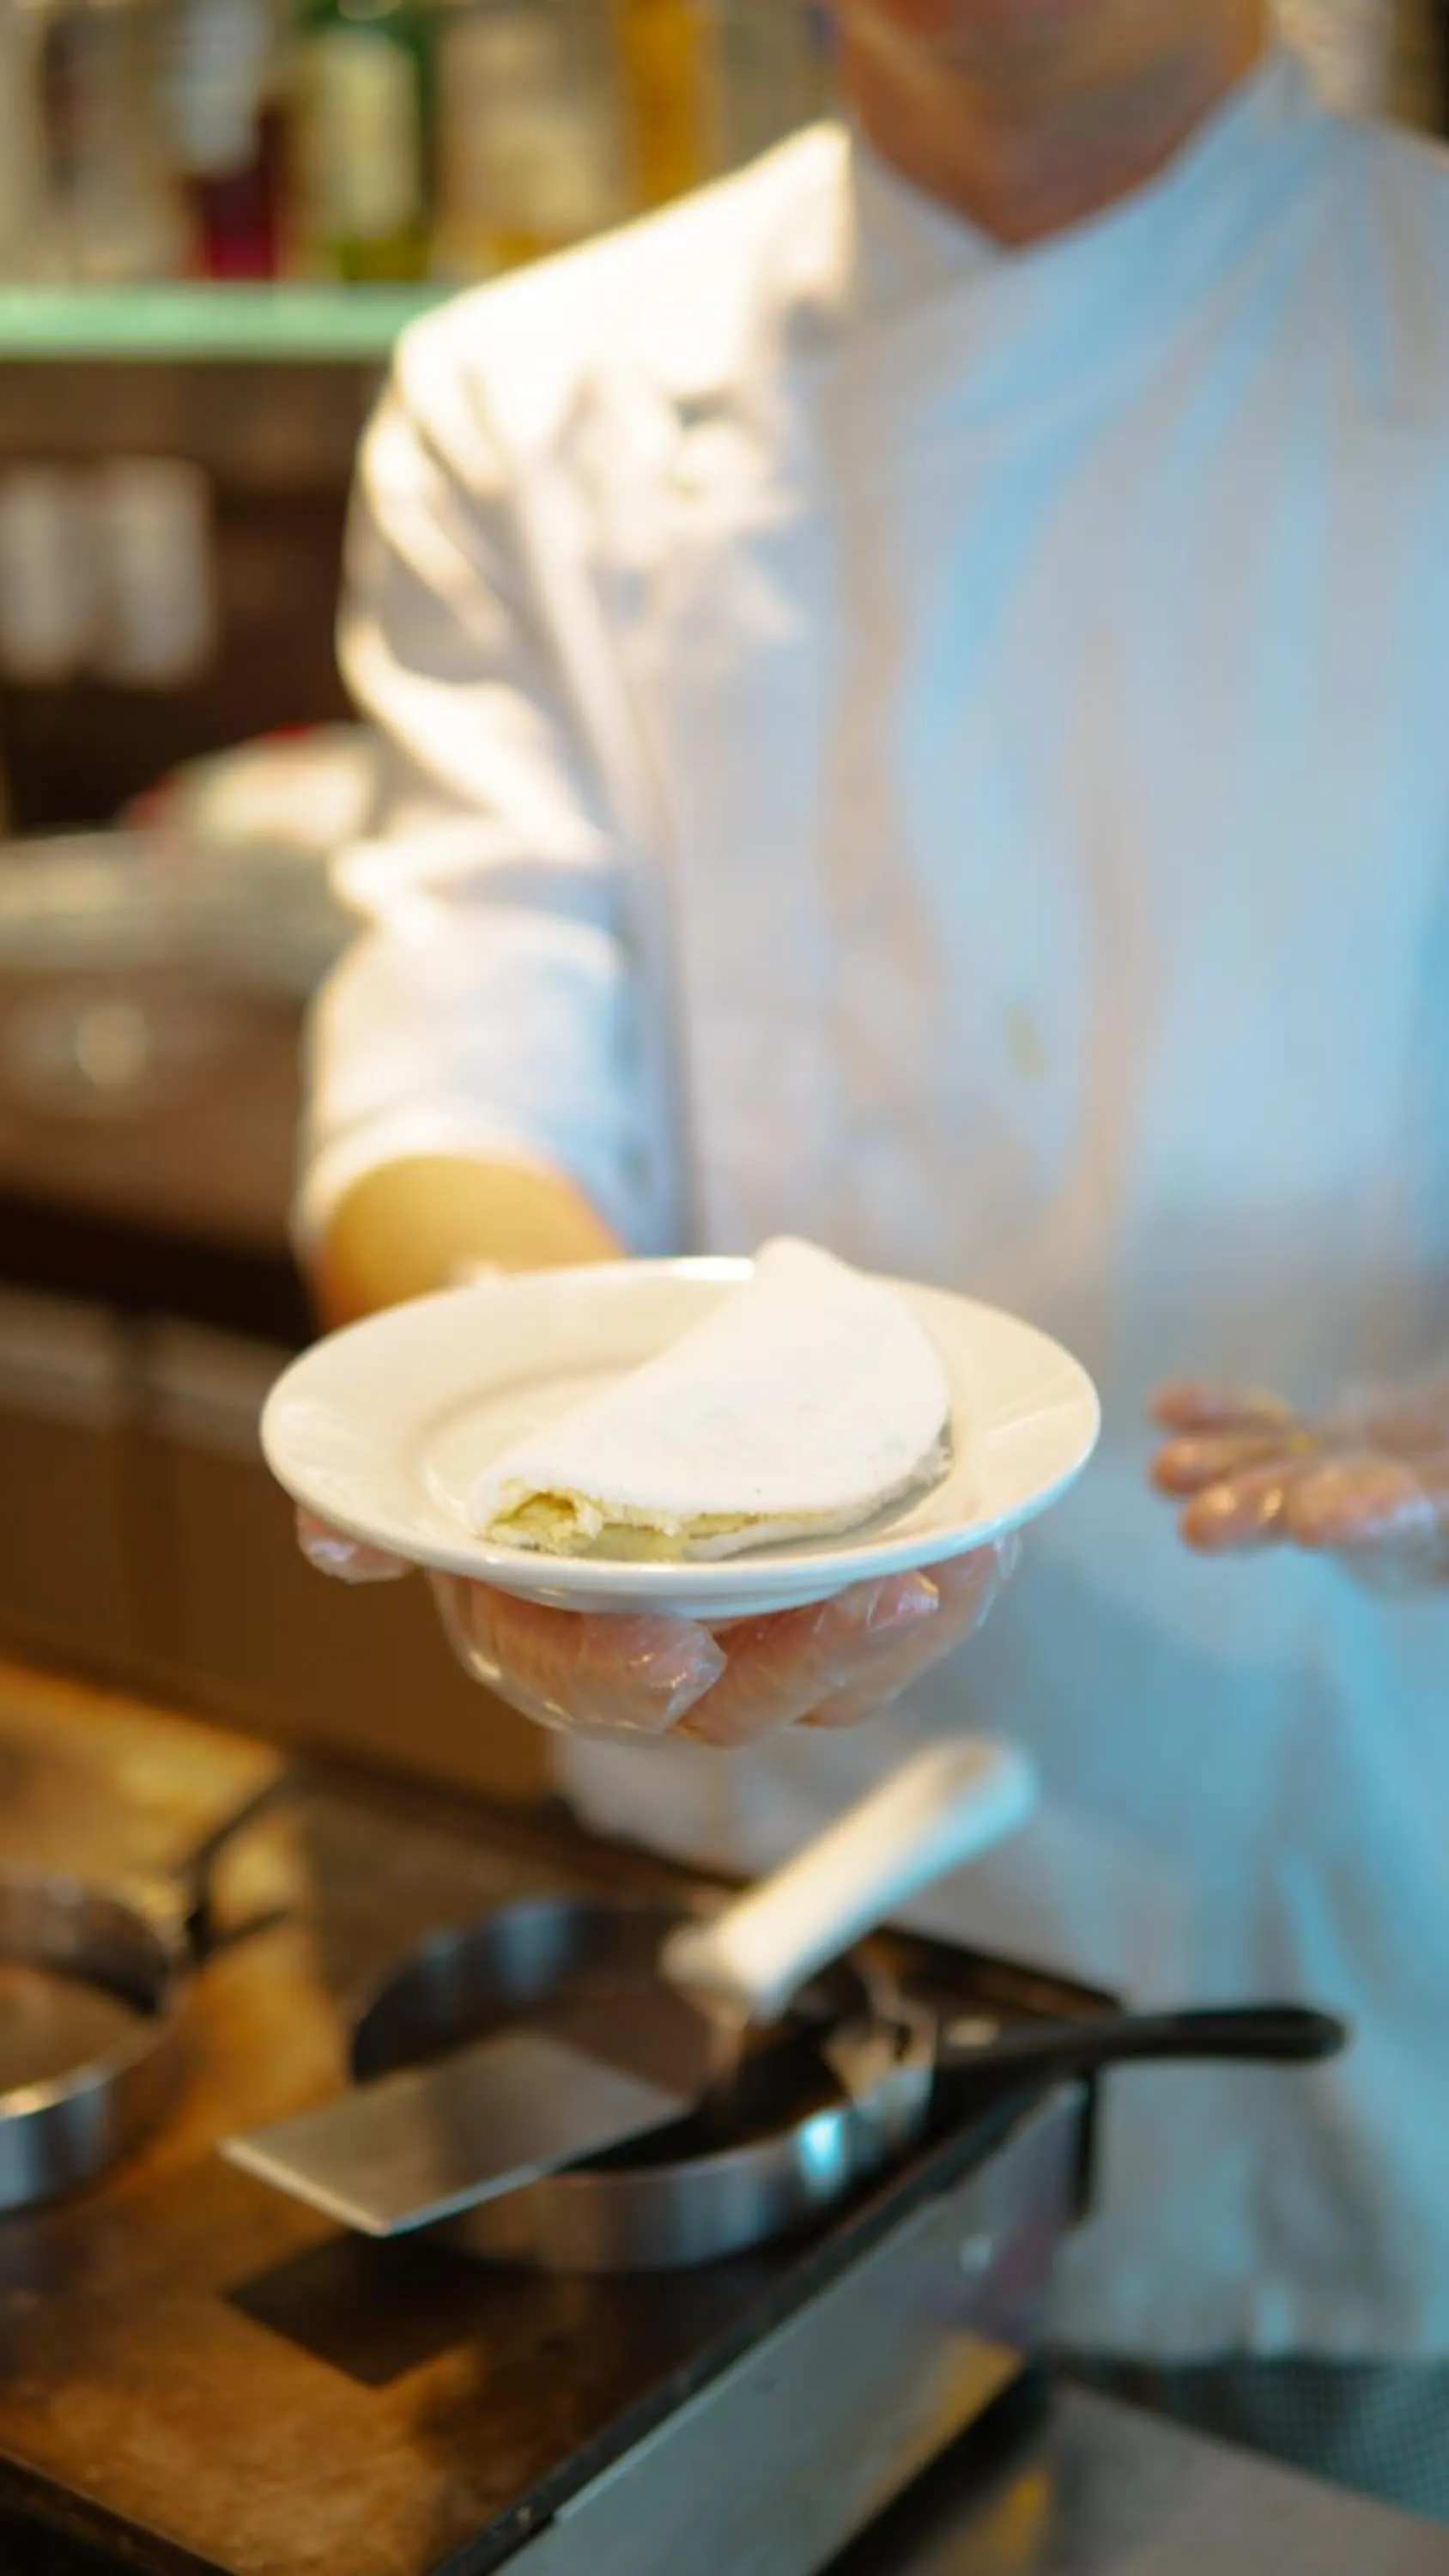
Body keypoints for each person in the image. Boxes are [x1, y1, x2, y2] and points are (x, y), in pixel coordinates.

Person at [296, 0, 1449, 2518]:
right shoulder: (539, 393)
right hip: (725, 1916)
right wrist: (530, 1456)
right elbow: (458, 1078)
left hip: (1348, 1898)